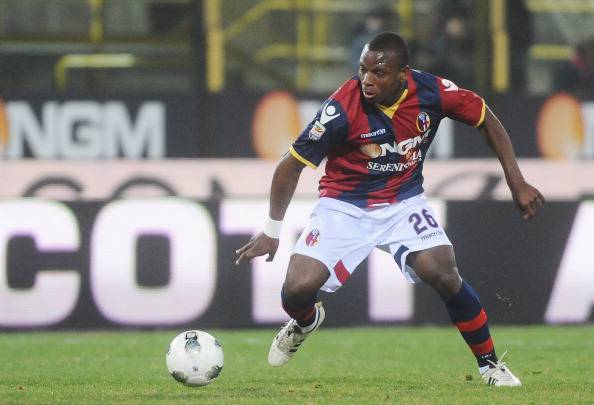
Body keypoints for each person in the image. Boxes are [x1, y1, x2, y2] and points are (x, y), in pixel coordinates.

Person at [236, 32, 544, 386]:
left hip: (402, 202)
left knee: (444, 273)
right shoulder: (341, 108)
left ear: (403, 74)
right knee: (296, 288)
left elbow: (485, 118)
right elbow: (289, 166)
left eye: (378, 72)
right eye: (362, 70)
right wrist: (272, 230)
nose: (367, 80)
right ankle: (305, 321)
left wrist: (516, 181)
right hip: (344, 205)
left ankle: (490, 366)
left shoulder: (433, 92)